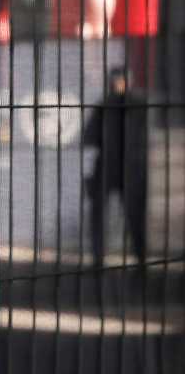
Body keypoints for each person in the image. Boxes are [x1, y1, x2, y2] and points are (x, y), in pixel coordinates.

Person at [82, 66, 149, 266]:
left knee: (134, 216)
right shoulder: (105, 106)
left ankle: (140, 257)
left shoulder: (136, 105)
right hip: (110, 167)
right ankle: (98, 258)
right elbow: (89, 137)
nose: (118, 84)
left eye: (121, 80)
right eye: (116, 80)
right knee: (100, 215)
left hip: (127, 168)